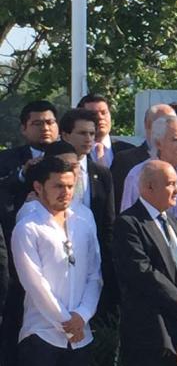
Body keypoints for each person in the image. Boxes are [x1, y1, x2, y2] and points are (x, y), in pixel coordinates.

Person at [11, 156, 102, 366]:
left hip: (81, 335)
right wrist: (66, 322)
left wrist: (82, 315)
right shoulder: (28, 228)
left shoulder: (82, 223)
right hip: (42, 334)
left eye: (70, 186)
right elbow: (35, 284)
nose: (66, 192)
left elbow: (94, 275)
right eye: (58, 186)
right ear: (38, 187)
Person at [114, 160, 177, 366]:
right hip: (151, 331)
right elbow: (142, 272)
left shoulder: (172, 220)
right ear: (148, 188)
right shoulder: (129, 223)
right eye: (170, 184)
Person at [0, 100, 59, 366]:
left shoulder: (70, 158)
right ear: (24, 128)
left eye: (50, 122)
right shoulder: (8, 160)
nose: (45, 128)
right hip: (17, 264)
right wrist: (24, 172)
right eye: (37, 123)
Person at [59, 109, 117, 321]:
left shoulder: (101, 173)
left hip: (94, 256)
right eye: (82, 133)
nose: (89, 139)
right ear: (65, 135)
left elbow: (109, 222)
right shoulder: (48, 171)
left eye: (92, 134)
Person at [121, 116, 177, 255]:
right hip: (151, 247)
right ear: (158, 143)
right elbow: (127, 215)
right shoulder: (139, 174)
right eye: (176, 139)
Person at [111, 103, 176, 212]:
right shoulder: (126, 160)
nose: (172, 127)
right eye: (165, 122)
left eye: (174, 121)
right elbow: (117, 201)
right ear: (148, 125)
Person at [77, 94, 135, 168]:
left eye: (104, 113)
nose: (100, 117)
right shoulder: (73, 152)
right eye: (93, 114)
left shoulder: (129, 151)